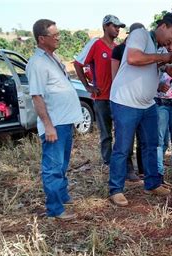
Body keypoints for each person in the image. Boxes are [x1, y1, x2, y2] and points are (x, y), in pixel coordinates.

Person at [108, 13, 172, 206]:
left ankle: (152, 183)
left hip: (148, 104)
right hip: (125, 102)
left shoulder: (159, 48)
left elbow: (169, 72)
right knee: (122, 147)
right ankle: (116, 189)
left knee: (152, 145)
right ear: (163, 26)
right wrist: (162, 57)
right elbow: (133, 58)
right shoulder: (141, 34)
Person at [26, 19, 83, 220]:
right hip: (55, 124)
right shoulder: (37, 63)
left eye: (58, 33)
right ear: (42, 39)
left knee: (62, 164)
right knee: (52, 167)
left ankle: (62, 196)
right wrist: (48, 126)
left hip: (64, 122)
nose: (58, 37)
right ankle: (55, 209)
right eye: (54, 35)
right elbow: (37, 96)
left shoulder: (53, 57)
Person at [73, 15, 128, 176]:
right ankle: (107, 162)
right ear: (105, 26)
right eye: (115, 26)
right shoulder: (96, 44)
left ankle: (119, 161)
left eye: (119, 27)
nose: (118, 29)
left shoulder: (117, 47)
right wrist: (87, 86)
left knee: (120, 131)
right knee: (106, 133)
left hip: (117, 97)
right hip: (101, 97)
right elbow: (78, 63)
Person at [111, 22, 146, 178]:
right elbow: (115, 75)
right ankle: (128, 169)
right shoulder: (119, 50)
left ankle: (143, 169)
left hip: (142, 99)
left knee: (143, 138)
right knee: (126, 139)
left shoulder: (145, 49)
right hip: (125, 99)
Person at [155, 41, 172, 179]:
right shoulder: (158, 54)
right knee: (160, 140)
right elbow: (148, 75)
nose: (171, 46)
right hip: (160, 103)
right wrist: (158, 85)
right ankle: (159, 173)